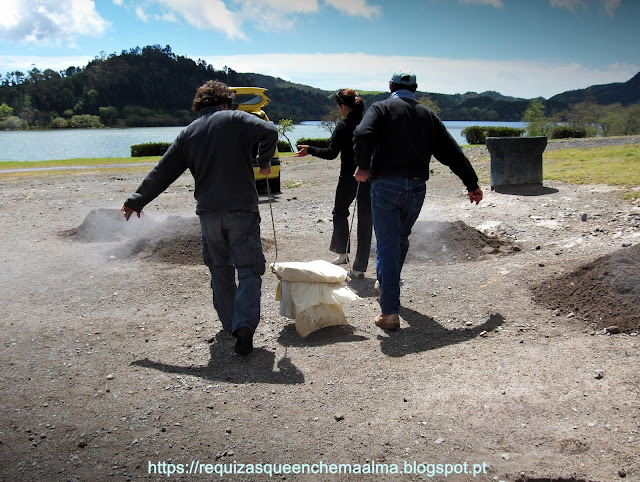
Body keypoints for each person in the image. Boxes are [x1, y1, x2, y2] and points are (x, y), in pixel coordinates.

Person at [121, 80, 278, 355]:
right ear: (226, 102)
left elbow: (163, 171)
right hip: (242, 209)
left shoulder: (188, 133)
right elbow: (269, 130)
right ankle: (244, 326)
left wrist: (137, 199)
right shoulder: (236, 118)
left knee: (220, 269)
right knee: (249, 269)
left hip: (207, 213)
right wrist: (263, 162)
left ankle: (231, 324)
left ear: (200, 105)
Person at [353, 69, 483, 331]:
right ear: (415, 90)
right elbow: (451, 151)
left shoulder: (380, 108)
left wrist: (363, 166)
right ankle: (384, 283)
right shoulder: (427, 115)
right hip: (416, 189)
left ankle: (389, 313)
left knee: (388, 245)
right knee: (399, 241)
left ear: (390, 86)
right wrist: (472, 183)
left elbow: (362, 134)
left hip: (386, 186)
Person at [294, 89, 372, 279]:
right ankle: (359, 267)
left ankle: (343, 254)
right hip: (370, 175)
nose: (339, 110)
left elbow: (331, 153)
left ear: (343, 106)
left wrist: (310, 150)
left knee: (340, 212)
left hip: (348, 177)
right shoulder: (371, 122)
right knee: (365, 220)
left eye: (338, 107)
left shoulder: (343, 125)